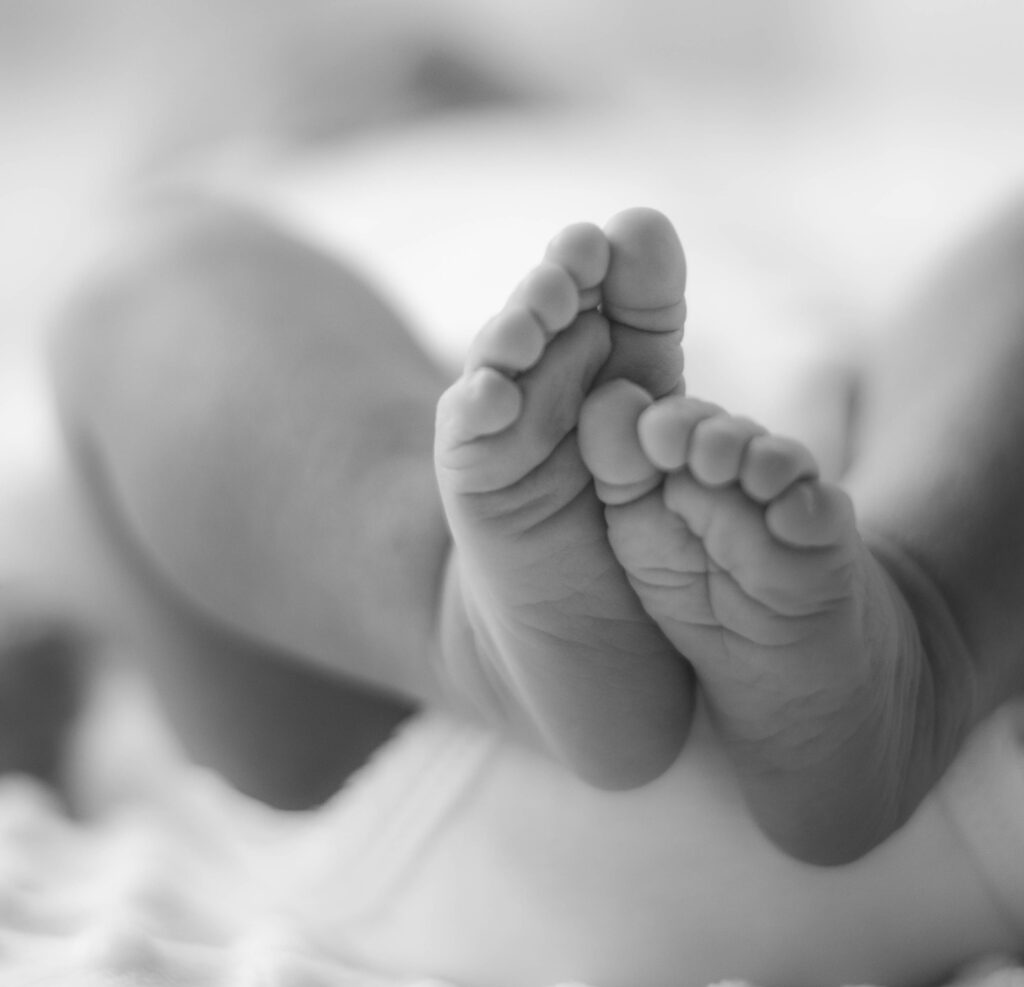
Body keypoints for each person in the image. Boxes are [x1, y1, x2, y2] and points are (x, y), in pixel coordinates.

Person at [46, 192, 1024, 987]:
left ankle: (915, 620)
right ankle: (925, 617)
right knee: (150, 263)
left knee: (149, 286)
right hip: (950, 763)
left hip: (423, 776)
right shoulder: (300, 185)